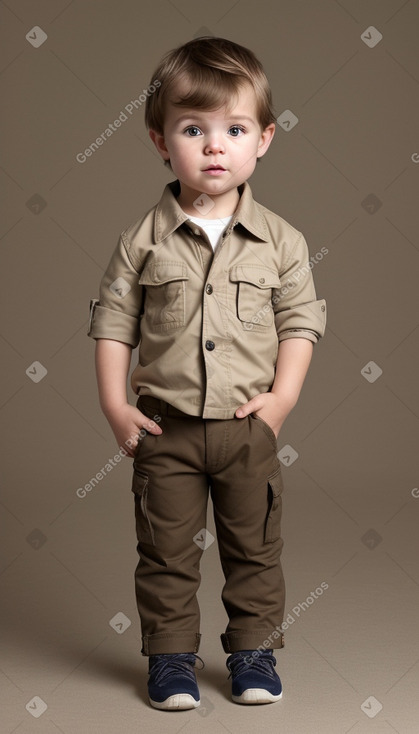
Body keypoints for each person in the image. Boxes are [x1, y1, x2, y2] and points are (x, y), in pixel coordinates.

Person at [88, 36, 326, 711]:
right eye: (193, 129)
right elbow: (113, 324)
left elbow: (299, 325)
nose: (214, 146)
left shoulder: (281, 242)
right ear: (161, 140)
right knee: (164, 552)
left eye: (234, 129)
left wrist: (280, 401)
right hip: (165, 431)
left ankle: (252, 652)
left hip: (247, 429)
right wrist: (114, 405)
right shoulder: (142, 240)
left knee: (254, 547)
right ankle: (170, 660)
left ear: (264, 139)